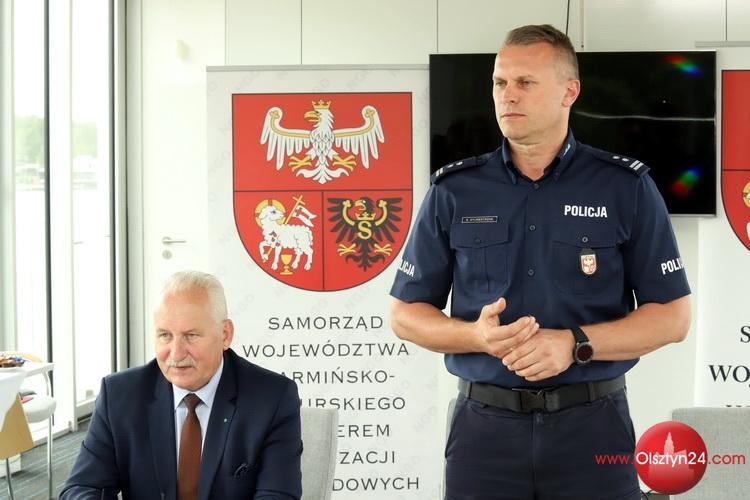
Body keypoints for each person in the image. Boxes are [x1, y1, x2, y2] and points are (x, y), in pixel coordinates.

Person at [390, 24, 691, 500]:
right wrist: (475, 337)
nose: (507, 95)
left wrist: (575, 344)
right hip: (483, 434)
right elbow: (405, 314)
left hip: (592, 429)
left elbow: (673, 318)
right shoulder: (454, 190)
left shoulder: (625, 187)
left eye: (525, 82)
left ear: (569, 91)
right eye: (500, 82)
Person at [61, 271, 302, 500]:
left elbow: (278, 494)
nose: (176, 353)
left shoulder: (273, 399)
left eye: (191, 336)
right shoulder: (119, 395)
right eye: (165, 335)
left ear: (225, 334)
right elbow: (82, 487)